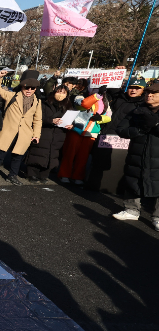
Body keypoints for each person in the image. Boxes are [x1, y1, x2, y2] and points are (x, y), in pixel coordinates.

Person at [113, 82, 159, 230]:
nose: (149, 95)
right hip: (136, 154)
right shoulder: (136, 111)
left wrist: (155, 125)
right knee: (133, 179)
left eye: (153, 93)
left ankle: (158, 217)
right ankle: (131, 209)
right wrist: (139, 130)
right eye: (147, 93)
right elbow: (121, 129)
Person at [87, 78, 147, 191]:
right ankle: (93, 185)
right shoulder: (119, 97)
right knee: (98, 162)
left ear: (143, 90)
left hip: (126, 137)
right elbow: (111, 86)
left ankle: (117, 189)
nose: (133, 90)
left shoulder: (143, 104)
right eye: (131, 87)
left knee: (120, 163)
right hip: (107, 134)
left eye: (137, 88)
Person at [0, 69, 43, 185]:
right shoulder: (12, 96)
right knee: (0, 155)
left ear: (35, 89)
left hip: (25, 133)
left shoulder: (37, 102)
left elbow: (38, 120)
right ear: (22, 86)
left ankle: (12, 176)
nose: (29, 90)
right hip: (8, 130)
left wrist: (36, 135)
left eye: (32, 88)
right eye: (26, 87)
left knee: (18, 156)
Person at [57, 92, 110, 185]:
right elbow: (84, 104)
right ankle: (64, 174)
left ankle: (78, 176)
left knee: (83, 157)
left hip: (91, 133)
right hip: (75, 129)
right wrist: (96, 96)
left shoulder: (105, 101)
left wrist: (100, 118)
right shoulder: (81, 96)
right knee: (69, 153)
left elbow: (109, 117)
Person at [24, 86, 73, 183]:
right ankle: (32, 174)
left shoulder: (68, 106)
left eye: (63, 93)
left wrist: (71, 125)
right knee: (37, 152)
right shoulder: (44, 103)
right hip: (44, 131)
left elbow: (72, 120)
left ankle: (44, 175)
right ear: (54, 92)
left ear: (67, 95)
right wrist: (51, 120)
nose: (60, 95)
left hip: (59, 134)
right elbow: (37, 118)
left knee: (52, 154)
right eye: (59, 92)